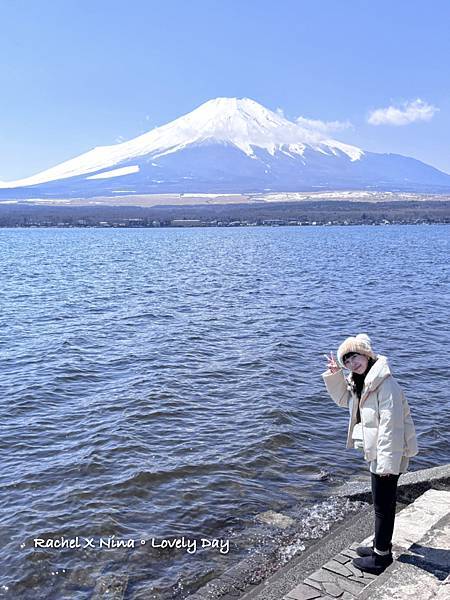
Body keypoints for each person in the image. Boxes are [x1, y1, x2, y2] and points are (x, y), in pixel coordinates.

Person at [322, 333, 418, 575]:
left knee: (383, 507)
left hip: (388, 455)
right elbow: (345, 400)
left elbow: (391, 428)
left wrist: (387, 464)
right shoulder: (364, 381)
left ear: (366, 354)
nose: (352, 364)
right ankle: (379, 546)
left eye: (355, 357)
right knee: (380, 504)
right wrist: (336, 376)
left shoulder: (386, 384)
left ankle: (381, 558)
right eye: (347, 361)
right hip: (378, 453)